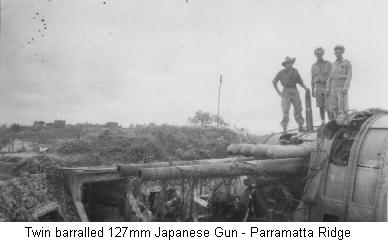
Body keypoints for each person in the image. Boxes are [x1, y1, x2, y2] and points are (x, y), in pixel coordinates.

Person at [273, 57, 309, 133]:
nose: (289, 64)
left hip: (294, 90)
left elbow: (300, 81)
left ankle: (300, 126)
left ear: (292, 63)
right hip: (285, 91)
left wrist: (305, 88)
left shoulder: (295, 71)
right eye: (287, 63)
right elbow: (274, 81)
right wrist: (279, 92)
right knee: (285, 110)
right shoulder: (281, 72)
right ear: (285, 65)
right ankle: (284, 128)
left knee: (298, 108)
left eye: (290, 63)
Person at [326, 44, 352, 118]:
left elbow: (349, 76)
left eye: (339, 52)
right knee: (333, 108)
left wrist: (346, 87)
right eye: (336, 52)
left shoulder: (347, 63)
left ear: (342, 52)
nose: (337, 54)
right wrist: (328, 89)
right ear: (334, 53)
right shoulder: (333, 64)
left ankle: (343, 123)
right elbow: (329, 77)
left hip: (341, 88)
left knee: (342, 108)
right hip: (333, 88)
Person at [311, 47, 332, 124]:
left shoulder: (328, 64)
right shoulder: (313, 66)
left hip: (326, 85)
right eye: (317, 54)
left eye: (320, 54)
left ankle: (330, 121)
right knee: (320, 105)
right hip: (318, 86)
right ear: (315, 55)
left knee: (328, 105)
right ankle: (323, 122)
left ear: (323, 54)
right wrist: (312, 90)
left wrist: (330, 88)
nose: (319, 55)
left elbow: (332, 76)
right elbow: (312, 79)